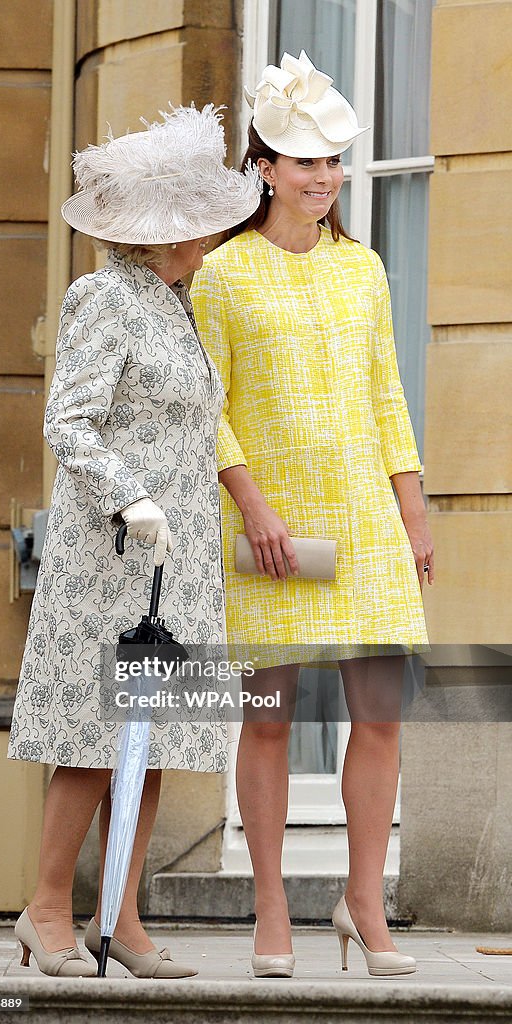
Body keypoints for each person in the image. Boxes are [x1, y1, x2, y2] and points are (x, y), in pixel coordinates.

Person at [191, 51, 434, 979]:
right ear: (263, 169)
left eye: (334, 161)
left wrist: (413, 513)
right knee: (266, 719)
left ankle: (362, 904)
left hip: (365, 521)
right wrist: (249, 500)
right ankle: (270, 910)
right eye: (306, 162)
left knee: (380, 715)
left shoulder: (363, 269)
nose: (325, 178)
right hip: (273, 526)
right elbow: (205, 402)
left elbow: (387, 399)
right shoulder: (223, 276)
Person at [7, 104, 260, 978]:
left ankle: (123, 914)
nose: (209, 234)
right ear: (157, 233)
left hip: (177, 558)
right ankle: (45, 910)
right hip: (112, 556)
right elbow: (68, 424)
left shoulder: (177, 301)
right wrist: (132, 497)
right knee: (93, 738)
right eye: (192, 222)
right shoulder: (102, 296)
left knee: (148, 742)